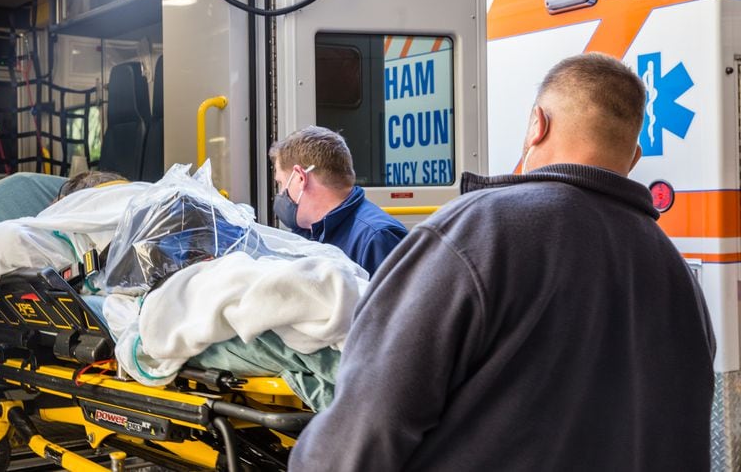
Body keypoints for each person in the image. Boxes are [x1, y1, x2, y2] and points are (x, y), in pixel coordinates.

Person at [289, 53, 716, 471]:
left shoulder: (480, 229)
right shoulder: (678, 276)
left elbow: (368, 422)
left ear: (538, 124)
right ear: (634, 156)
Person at [269, 126, 407, 276]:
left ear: (301, 178)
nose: (281, 193)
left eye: (281, 183)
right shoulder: (309, 231)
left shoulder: (378, 238)